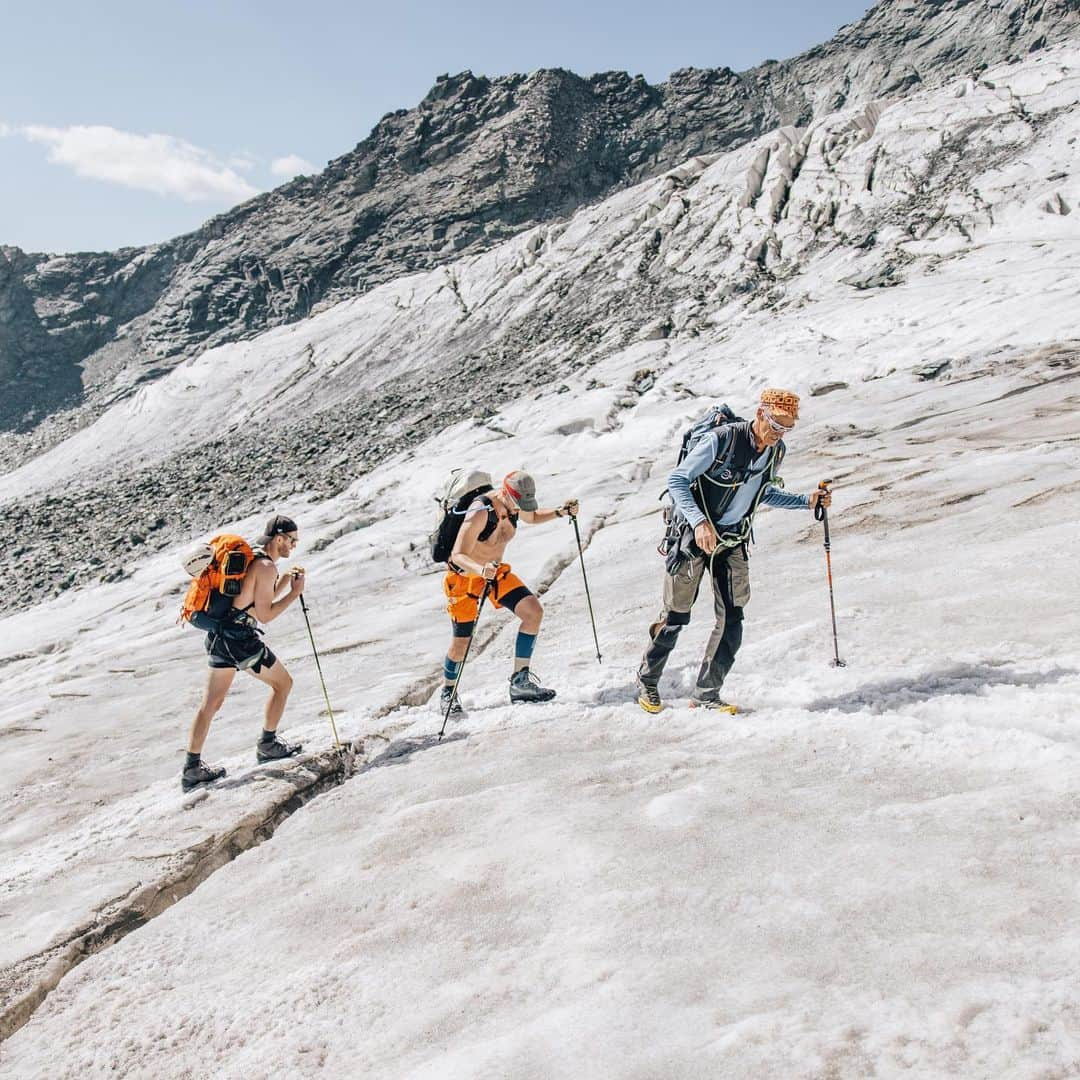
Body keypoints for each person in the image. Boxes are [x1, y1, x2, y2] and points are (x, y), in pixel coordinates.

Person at [636, 388, 831, 714]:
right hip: (691, 538)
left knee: (732, 618)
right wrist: (699, 523)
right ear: (760, 414)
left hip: (732, 541)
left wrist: (804, 502)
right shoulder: (722, 441)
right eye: (775, 423)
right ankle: (647, 681)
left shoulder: (774, 451)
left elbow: (760, 493)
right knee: (675, 616)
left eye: (787, 427)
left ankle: (706, 694)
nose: (779, 433)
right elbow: (678, 480)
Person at [182, 514, 306, 791]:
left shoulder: (252, 557)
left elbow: (249, 599)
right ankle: (268, 743)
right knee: (283, 684)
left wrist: (285, 580)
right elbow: (265, 613)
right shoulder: (265, 566)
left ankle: (191, 768)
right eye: (292, 540)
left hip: (221, 636)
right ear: (280, 538)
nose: (294, 546)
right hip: (241, 641)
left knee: (211, 703)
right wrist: (295, 592)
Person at [441, 470, 578, 713]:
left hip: (494, 573)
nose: (519, 510)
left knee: (532, 612)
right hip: (465, 579)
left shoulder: (515, 503)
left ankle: (520, 683)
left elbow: (533, 516)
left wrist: (560, 512)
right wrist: (480, 570)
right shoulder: (481, 511)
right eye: (517, 504)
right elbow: (457, 555)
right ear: (505, 492)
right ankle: (448, 692)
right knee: (461, 642)